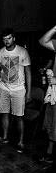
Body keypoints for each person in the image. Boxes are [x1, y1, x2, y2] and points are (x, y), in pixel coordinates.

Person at [0, 27, 31, 151]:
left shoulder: (22, 52)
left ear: (14, 38)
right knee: (4, 114)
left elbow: (28, 72)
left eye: (9, 38)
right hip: (3, 88)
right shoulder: (0, 53)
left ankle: (21, 142)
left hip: (19, 89)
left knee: (19, 117)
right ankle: (5, 137)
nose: (7, 41)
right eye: (4, 39)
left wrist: (28, 92)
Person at [38, 24, 56, 164]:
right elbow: (42, 41)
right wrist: (55, 28)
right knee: (52, 124)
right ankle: (49, 155)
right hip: (54, 93)